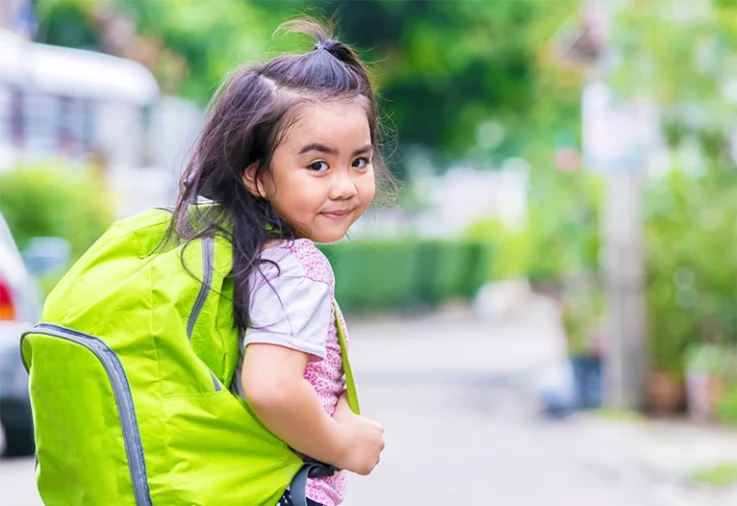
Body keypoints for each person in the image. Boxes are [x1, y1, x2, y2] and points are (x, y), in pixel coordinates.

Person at [169, 18, 392, 506]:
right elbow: (270, 389)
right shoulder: (297, 266)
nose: (344, 185)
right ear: (258, 177)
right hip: (288, 493)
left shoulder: (232, 250)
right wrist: (344, 446)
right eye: (317, 165)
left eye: (359, 161)